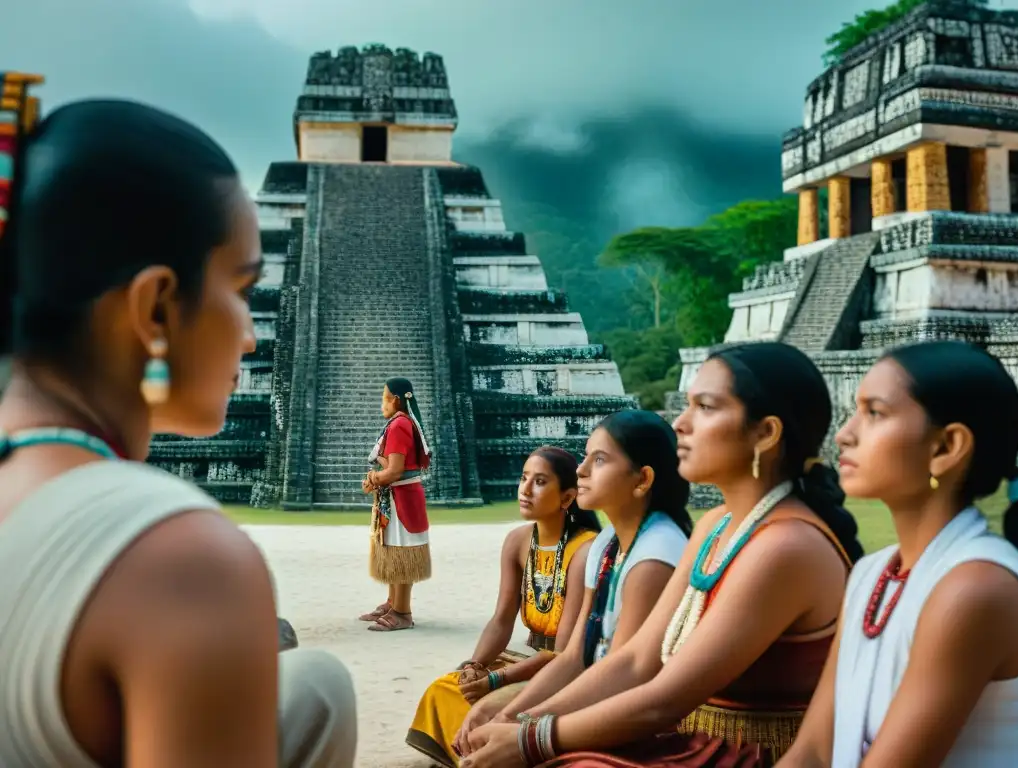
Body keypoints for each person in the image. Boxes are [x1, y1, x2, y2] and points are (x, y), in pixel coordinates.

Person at [0, 94, 356, 767]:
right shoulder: (180, 558)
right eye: (243, 288)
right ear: (157, 308)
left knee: (310, 691)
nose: (251, 337)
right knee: (320, 686)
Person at [461, 341, 864, 767]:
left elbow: (664, 698)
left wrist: (529, 738)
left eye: (705, 408)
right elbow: (636, 661)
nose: (681, 424)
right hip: (698, 742)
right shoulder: (717, 525)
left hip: (755, 756)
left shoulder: (785, 545)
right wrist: (518, 720)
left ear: (765, 433)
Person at [780, 340, 1018, 768]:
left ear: (946, 447)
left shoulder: (976, 589)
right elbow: (813, 751)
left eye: (875, 413)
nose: (845, 433)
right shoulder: (872, 573)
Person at [453, 410, 692, 757]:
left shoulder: (655, 555)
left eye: (599, 459)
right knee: (481, 717)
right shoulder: (607, 544)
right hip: (596, 687)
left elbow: (626, 671)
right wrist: (506, 714)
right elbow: (577, 655)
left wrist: (523, 725)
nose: (581, 470)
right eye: (585, 457)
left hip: (633, 712)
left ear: (642, 480)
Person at [406, 445, 600, 766]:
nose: (525, 489)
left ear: (567, 498)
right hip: (530, 660)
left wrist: (496, 680)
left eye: (539, 482)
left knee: (494, 709)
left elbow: (562, 655)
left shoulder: (585, 550)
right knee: (446, 689)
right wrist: (474, 665)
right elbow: (501, 619)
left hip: (566, 669)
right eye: (524, 478)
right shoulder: (517, 541)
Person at [360, 376, 433, 631]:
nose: (382, 403)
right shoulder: (400, 423)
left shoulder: (399, 424)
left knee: (401, 552)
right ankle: (394, 602)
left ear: (396, 400)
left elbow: (394, 471)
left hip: (401, 497)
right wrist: (378, 476)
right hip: (399, 496)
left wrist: (373, 478)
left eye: (384, 397)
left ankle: (402, 612)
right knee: (394, 550)